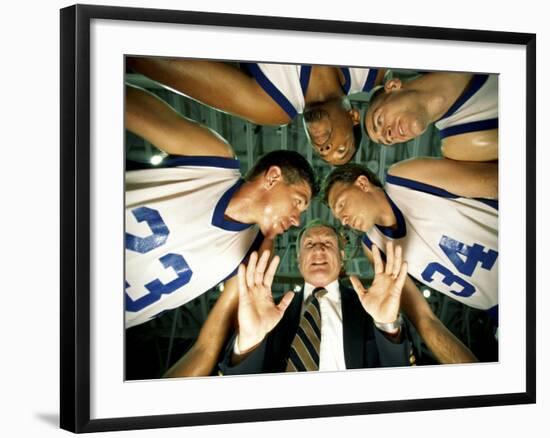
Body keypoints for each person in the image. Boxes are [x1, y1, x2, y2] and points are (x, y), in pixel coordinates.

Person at [125, 84, 318, 376]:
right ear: (273, 177)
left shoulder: (251, 257)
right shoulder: (211, 160)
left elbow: (208, 347)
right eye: (298, 202)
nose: (296, 220)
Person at [322, 158, 498, 363]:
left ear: (362, 183)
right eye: (338, 217)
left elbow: (498, 182)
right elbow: (425, 322)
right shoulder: (374, 247)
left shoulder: (404, 179)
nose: (343, 219)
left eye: (341, 204)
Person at [218, 220, 411, 375]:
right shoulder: (267, 311)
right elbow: (236, 385)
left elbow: (399, 373)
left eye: (327, 243)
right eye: (309, 244)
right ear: (298, 259)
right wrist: (250, 341)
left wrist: (387, 326)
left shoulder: (369, 308)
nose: (318, 250)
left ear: (341, 256)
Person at [126, 57, 386, 165]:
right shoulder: (372, 71)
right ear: (354, 117)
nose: (325, 149)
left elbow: (153, 60)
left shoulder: (274, 105)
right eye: (341, 149)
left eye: (321, 153)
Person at [364, 72, 498, 161]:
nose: (388, 135)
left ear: (393, 86)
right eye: (389, 141)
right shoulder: (459, 146)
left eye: (379, 120)